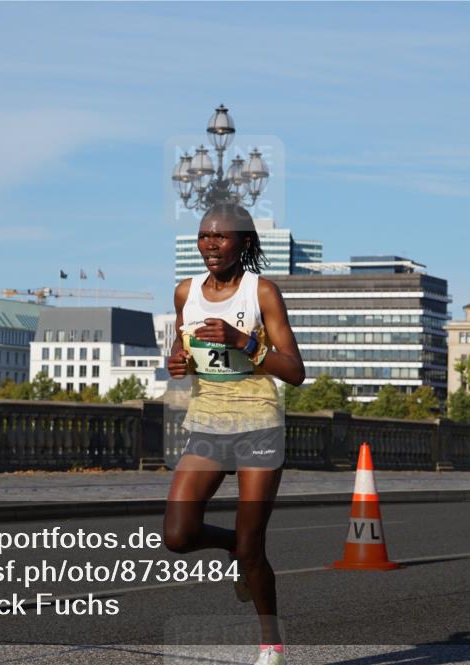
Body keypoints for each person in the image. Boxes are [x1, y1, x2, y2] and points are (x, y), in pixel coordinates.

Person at [164, 203, 305, 665]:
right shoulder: (185, 292)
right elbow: (181, 348)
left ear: (243, 242)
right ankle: (231, 545)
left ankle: (271, 645)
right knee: (178, 534)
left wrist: (244, 341)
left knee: (253, 546)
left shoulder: (261, 292)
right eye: (204, 235)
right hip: (207, 422)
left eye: (221, 236)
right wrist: (177, 364)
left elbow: (295, 371)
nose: (210, 244)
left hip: (257, 424)